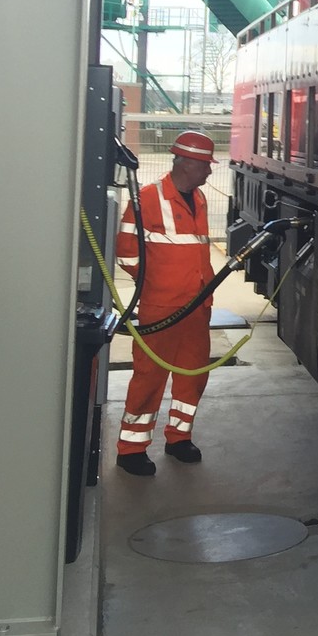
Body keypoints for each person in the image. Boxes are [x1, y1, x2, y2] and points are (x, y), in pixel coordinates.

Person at [114, 130, 218, 476]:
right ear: (187, 163)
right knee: (149, 376)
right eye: (205, 165)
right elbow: (127, 253)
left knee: (193, 377)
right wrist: (157, 284)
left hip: (197, 308)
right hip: (161, 308)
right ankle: (131, 449)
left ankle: (179, 439)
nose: (210, 172)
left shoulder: (199, 199)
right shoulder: (146, 199)